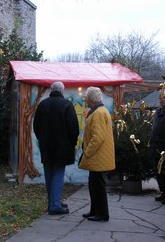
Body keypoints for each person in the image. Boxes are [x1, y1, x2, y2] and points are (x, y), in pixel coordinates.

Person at [33, 81, 80, 215]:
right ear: (62, 91)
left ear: (51, 90)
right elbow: (73, 128)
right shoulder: (67, 105)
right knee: (58, 174)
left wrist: (41, 139)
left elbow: (36, 126)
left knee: (49, 174)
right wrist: (72, 142)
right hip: (62, 147)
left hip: (46, 146)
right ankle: (55, 205)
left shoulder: (42, 104)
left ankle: (53, 201)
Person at [78, 87, 115, 222]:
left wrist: (87, 152)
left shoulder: (98, 113)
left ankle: (102, 214)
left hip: (97, 156)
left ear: (91, 100)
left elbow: (98, 137)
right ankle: (95, 211)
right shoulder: (100, 111)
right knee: (94, 185)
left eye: (87, 98)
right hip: (98, 156)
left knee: (98, 186)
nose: (86, 101)